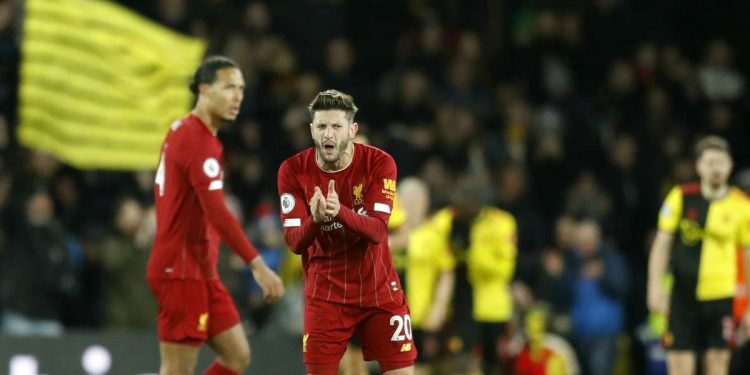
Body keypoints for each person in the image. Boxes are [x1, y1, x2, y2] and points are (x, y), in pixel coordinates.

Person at [147, 56, 284, 375]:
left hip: (200, 268)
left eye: (241, 89)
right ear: (205, 90)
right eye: (228, 88)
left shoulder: (187, 132)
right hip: (181, 270)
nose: (237, 96)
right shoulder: (197, 140)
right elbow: (217, 211)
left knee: (237, 356)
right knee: (177, 370)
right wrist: (258, 264)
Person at [277, 89, 416, 375]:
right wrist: (315, 220)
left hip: (379, 292)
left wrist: (338, 211)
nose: (329, 135)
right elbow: (294, 242)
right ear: (312, 130)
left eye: (337, 126)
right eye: (322, 126)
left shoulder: (379, 163)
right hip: (326, 297)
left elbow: (378, 230)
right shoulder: (292, 171)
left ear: (352, 130)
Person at [648, 135, 750, 375]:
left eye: (720, 162)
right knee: (680, 365)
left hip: (721, 297)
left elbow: (748, 256)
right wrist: (654, 288)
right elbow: (661, 246)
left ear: (730, 165)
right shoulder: (680, 197)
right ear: (699, 166)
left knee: (717, 365)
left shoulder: (742, 205)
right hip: (683, 295)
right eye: (710, 162)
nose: (715, 168)